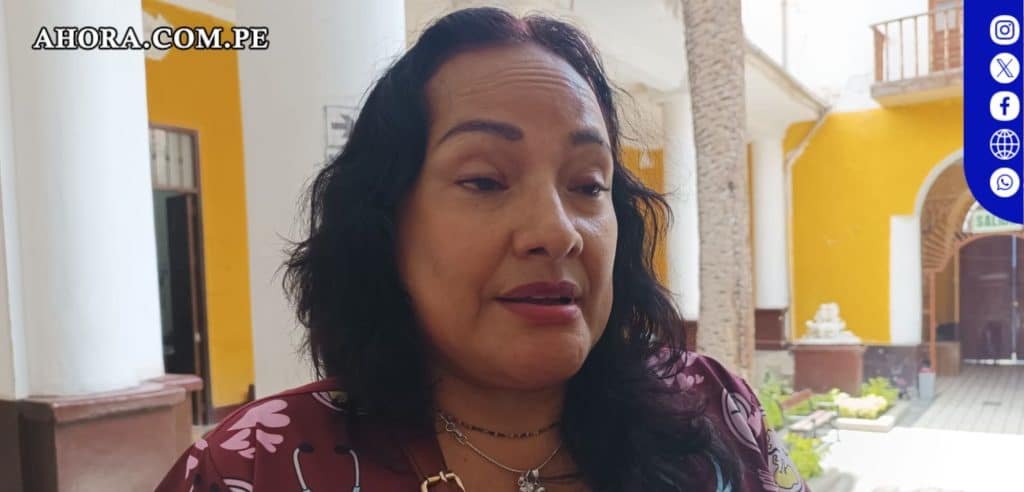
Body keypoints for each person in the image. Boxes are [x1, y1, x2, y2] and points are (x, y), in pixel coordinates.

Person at [156, 7, 807, 492]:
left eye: (587, 185)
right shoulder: (253, 468)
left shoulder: (717, 413)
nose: (557, 231)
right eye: (485, 181)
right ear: (385, 223)